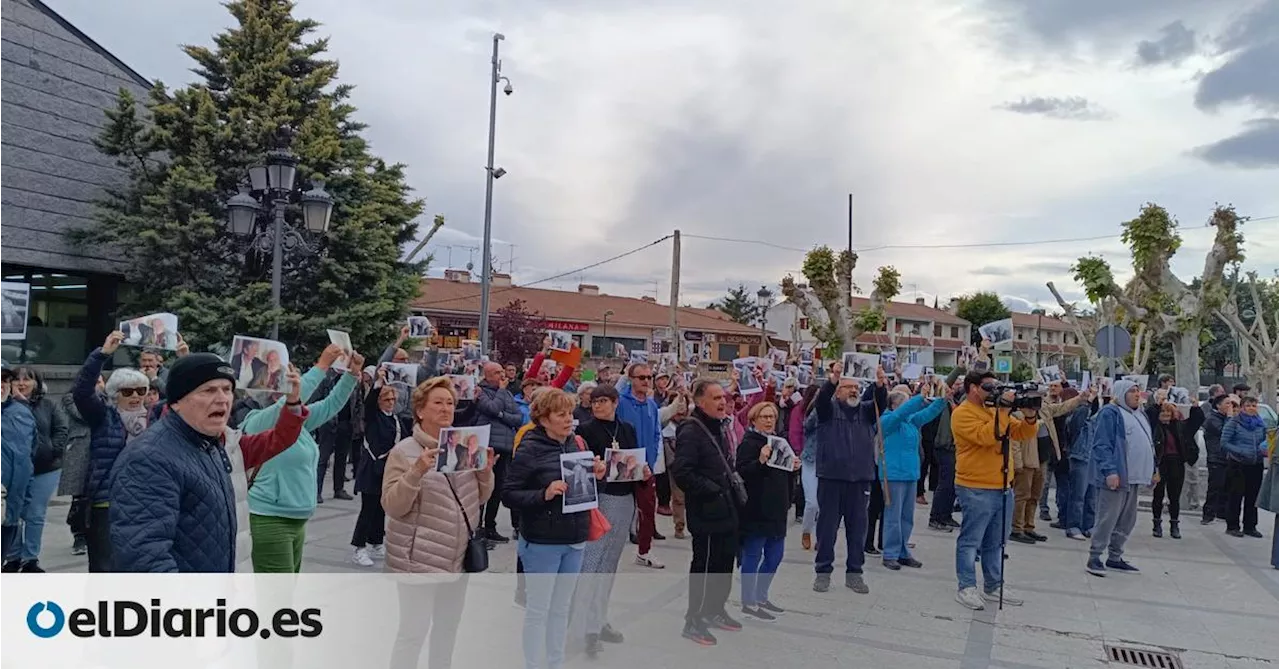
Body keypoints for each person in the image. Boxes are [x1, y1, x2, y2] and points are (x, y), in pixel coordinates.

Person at [109, 358, 308, 572]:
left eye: (227, 389)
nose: (222, 399)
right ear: (177, 401)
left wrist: (293, 402)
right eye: (208, 390)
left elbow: (279, 439)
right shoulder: (149, 459)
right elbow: (144, 558)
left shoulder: (213, 443)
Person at [382, 375, 495, 668]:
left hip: (456, 559)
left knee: (447, 631)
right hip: (418, 559)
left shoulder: (463, 446)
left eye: (450, 403)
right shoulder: (404, 451)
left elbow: (480, 498)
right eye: (438, 403)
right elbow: (393, 505)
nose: (446, 408)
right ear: (420, 410)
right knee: (412, 634)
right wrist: (416, 471)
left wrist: (485, 471)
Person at [503, 388, 604, 669]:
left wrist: (598, 475)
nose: (568, 419)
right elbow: (509, 494)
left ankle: (555, 663)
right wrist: (543, 494)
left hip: (575, 539)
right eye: (561, 414)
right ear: (543, 418)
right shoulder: (530, 447)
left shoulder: (575, 443)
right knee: (539, 610)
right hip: (542, 542)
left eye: (570, 413)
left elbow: (586, 493)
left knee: (561, 609)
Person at [242, 344, 362, 573]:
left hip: (297, 517)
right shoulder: (256, 421)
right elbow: (282, 407)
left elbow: (330, 405)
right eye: (285, 377)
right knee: (277, 598)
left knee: (284, 595)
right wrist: (322, 366)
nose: (291, 382)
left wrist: (352, 375)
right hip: (269, 518)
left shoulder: (298, 423)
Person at [951, 370, 1039, 610]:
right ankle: (966, 586)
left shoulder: (993, 411)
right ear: (972, 388)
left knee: (997, 542)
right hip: (975, 486)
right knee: (971, 540)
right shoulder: (962, 414)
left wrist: (1030, 416)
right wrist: (1003, 409)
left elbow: (1021, 433)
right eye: (988, 387)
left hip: (1002, 485)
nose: (994, 391)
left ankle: (993, 584)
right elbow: (989, 436)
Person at [573, 384, 645, 657]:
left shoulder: (626, 428)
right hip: (600, 499)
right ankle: (584, 628)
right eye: (594, 402)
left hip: (624, 498)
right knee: (591, 564)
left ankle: (599, 618)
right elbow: (580, 468)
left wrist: (642, 470)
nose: (598, 406)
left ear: (615, 403)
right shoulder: (585, 431)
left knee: (609, 565)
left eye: (603, 401)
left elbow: (633, 461)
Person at [73, 331, 151, 572]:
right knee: (104, 568)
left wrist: (183, 358)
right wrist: (102, 354)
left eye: (141, 390)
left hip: (143, 502)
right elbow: (82, 391)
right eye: (128, 392)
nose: (136, 396)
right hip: (106, 503)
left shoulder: (155, 419)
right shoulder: (103, 416)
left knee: (136, 568)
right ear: (116, 395)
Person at [671, 379, 741, 646]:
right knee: (706, 566)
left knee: (724, 564)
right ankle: (694, 620)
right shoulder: (691, 430)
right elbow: (683, 473)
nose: (722, 401)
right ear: (701, 402)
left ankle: (715, 609)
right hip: (707, 512)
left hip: (727, 508)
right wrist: (712, 489)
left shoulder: (719, 427)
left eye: (723, 397)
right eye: (715, 398)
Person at [810, 366, 887, 595]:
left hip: (860, 479)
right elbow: (821, 398)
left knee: (857, 530)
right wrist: (833, 379)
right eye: (848, 387)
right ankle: (822, 573)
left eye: (856, 387)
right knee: (827, 529)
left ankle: (855, 574)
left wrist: (881, 385)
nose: (853, 391)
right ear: (838, 391)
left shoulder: (865, 411)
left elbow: (880, 404)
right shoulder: (827, 410)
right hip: (831, 478)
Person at [735, 401, 799, 621]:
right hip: (756, 509)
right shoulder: (749, 443)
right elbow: (743, 472)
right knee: (752, 555)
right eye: (764, 417)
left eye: (772, 416)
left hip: (777, 509)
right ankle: (749, 600)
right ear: (754, 420)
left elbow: (784, 473)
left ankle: (761, 595)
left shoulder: (780, 441)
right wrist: (760, 460)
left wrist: (794, 467)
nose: (770, 420)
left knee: (775, 555)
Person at [1086, 379, 1157, 577]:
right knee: (1107, 518)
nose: (1137, 395)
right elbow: (1102, 445)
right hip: (1117, 477)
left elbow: (1149, 443)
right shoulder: (1111, 413)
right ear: (1121, 393)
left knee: (1127, 520)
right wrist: (1110, 471)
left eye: (1138, 391)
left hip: (1134, 477)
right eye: (1132, 391)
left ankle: (1115, 556)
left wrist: (1153, 469)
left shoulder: (1140, 414)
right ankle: (1095, 557)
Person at [0, 367, 66, 572]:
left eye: (5, 380)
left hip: (34, 478)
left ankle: (28, 559)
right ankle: (14, 557)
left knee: (32, 515)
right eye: (15, 379)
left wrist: (52, 451)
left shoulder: (25, 411)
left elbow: (32, 449)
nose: (20, 383)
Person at [879, 380, 946, 571]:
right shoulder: (887, 420)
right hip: (892, 474)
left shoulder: (910, 422)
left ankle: (902, 551)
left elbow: (927, 414)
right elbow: (902, 413)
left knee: (907, 516)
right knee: (893, 515)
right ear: (894, 404)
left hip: (909, 473)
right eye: (905, 402)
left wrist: (941, 400)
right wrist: (919, 398)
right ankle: (890, 553)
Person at [1010, 382, 1088, 544]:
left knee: (1035, 495)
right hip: (1026, 460)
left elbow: (1062, 407)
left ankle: (1029, 527)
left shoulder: (1044, 409)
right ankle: (1017, 528)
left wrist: (1080, 399)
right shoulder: (1018, 414)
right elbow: (1014, 441)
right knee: (1022, 495)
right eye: (1035, 396)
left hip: (1043, 458)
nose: (1038, 399)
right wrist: (1017, 464)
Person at [350, 385, 411, 567]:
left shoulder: (397, 420)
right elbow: (369, 401)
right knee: (367, 510)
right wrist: (378, 382)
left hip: (388, 470)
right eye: (387, 400)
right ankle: (359, 547)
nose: (391, 403)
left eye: (393, 400)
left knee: (381, 509)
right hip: (372, 469)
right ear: (379, 402)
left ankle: (376, 542)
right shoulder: (373, 416)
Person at [614, 362, 665, 569]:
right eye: (641, 377)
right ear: (631, 379)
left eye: (648, 377)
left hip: (645, 467)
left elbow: (655, 434)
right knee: (617, 512)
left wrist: (650, 462)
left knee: (647, 511)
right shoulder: (620, 402)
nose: (646, 381)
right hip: (624, 465)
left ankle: (644, 552)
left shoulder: (652, 405)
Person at [475, 361, 524, 544]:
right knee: (482, 487)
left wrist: (502, 416)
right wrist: (501, 397)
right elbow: (492, 408)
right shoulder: (481, 392)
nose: (502, 376)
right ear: (487, 375)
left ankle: (490, 527)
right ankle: (477, 527)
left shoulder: (509, 394)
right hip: (486, 445)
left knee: (497, 488)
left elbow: (517, 417)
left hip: (504, 447)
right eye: (497, 373)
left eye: (502, 372)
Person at [1148, 395, 1203, 539]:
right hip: (1160, 463)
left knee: (1174, 496)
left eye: (1168, 414)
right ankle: (1157, 524)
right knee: (1158, 495)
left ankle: (1174, 525)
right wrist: (1157, 404)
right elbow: (1150, 415)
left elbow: (1195, 422)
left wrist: (1195, 407)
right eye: (1163, 414)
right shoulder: (1154, 427)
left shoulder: (1180, 427)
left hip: (1176, 463)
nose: (1165, 417)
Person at [58, 373, 99, 556]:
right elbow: (85, 415)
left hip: (100, 450)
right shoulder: (70, 398)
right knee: (79, 496)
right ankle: (79, 535)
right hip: (80, 450)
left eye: (100, 381)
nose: (97, 384)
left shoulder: (109, 398)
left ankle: (92, 533)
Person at [0, 361, 35, 563]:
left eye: (5, 379)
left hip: (10, 509)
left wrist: (23, 501)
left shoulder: (22, 413)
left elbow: (28, 458)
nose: (2, 385)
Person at [1221, 396, 1268, 538]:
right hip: (1238, 464)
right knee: (1235, 495)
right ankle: (1232, 526)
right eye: (1248, 405)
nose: (1251, 408)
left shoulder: (1261, 424)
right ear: (1242, 408)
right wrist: (1241, 451)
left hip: (1256, 463)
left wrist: (1264, 448)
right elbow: (1224, 443)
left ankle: (1250, 526)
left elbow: (1265, 440)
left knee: (1253, 497)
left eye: (1254, 405)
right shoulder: (1234, 423)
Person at [926, 372, 965, 532]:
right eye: (951, 386)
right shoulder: (940, 402)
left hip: (952, 447)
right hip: (943, 447)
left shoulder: (954, 401)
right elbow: (945, 384)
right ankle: (936, 517)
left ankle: (946, 515)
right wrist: (959, 368)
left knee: (952, 485)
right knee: (945, 484)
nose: (953, 388)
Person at [1201, 393, 1235, 526]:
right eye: (1227, 403)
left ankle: (1222, 512)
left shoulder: (1224, 418)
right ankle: (1208, 514)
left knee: (1226, 487)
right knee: (1215, 486)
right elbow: (1225, 432)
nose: (1230, 406)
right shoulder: (1212, 419)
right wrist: (1230, 417)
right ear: (1218, 405)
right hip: (1216, 457)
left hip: (1228, 457)